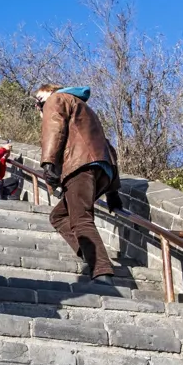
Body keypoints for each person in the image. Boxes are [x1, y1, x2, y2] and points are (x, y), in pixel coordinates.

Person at [36, 84, 123, 283]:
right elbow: (107, 146)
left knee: (81, 219)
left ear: (51, 92)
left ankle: (101, 270)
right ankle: (89, 252)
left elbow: (55, 129)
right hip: (103, 170)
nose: (39, 105)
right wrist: (113, 191)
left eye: (39, 100)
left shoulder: (56, 99)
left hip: (80, 166)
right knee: (59, 216)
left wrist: (48, 163)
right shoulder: (84, 108)